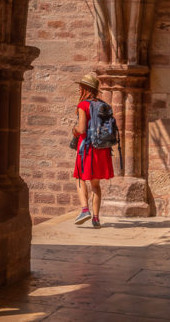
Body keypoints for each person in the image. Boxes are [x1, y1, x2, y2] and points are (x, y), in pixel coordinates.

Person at [72, 73, 114, 228]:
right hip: (102, 149)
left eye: (80, 87)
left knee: (79, 178)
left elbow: (82, 128)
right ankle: (96, 219)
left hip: (87, 148)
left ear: (85, 89)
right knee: (95, 184)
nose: (79, 89)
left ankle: (84, 210)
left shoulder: (83, 105)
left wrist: (74, 130)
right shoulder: (103, 105)